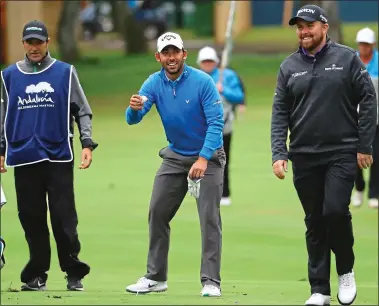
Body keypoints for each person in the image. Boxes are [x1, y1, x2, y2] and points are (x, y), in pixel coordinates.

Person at [271, 5, 377, 306]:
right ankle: (319, 289)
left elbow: (368, 99)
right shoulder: (288, 67)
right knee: (314, 221)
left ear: (324, 27)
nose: (304, 31)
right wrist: (280, 152)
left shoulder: (347, 59)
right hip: (303, 155)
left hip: (341, 152)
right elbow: (279, 113)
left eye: (309, 26)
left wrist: (364, 145)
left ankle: (345, 271)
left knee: (334, 212)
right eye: (299, 27)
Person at [124, 32, 225, 297]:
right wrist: (134, 108)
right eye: (166, 53)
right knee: (157, 211)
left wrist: (203, 158)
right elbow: (133, 119)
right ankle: (156, 277)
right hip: (175, 156)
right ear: (158, 57)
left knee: (209, 218)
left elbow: (217, 123)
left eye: (175, 52)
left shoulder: (202, 81)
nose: (171, 57)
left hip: (209, 156)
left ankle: (211, 281)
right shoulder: (154, 83)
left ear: (184, 54)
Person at [0, 20, 98, 291]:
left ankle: (73, 271)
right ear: (23, 44)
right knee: (31, 218)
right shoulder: (8, 76)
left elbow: (82, 110)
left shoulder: (65, 73)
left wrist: (87, 143)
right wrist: (0, 150)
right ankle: (36, 273)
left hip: (58, 156)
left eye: (38, 42)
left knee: (63, 217)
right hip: (24, 156)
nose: (34, 47)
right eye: (29, 42)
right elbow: (2, 117)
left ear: (47, 43)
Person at [196, 46, 245, 206]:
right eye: (205, 61)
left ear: (216, 62)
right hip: (201, 128)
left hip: (224, 126)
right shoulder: (196, 78)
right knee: (202, 160)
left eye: (210, 61)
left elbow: (239, 96)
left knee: (223, 161)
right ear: (200, 63)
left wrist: (224, 90)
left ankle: (225, 194)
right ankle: (204, 192)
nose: (208, 64)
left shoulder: (227, 76)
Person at [350, 27, 379, 209]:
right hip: (353, 119)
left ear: (373, 45)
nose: (364, 47)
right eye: (361, 44)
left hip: (377, 119)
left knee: (376, 157)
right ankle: (359, 187)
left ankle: (374, 194)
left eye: (367, 44)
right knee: (353, 157)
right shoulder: (351, 61)